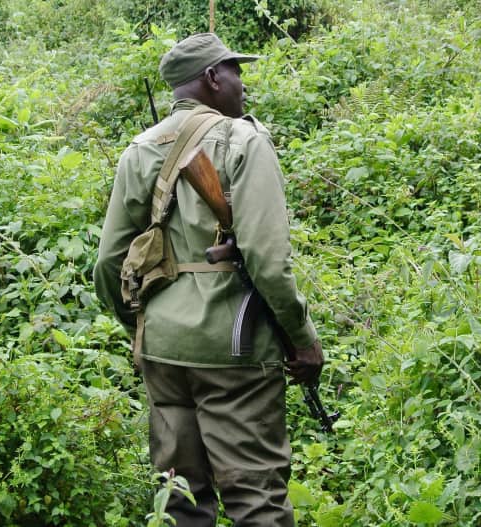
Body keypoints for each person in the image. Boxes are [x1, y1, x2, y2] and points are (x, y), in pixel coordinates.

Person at [92, 33, 324, 526]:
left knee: (180, 498)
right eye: (235, 70)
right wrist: (302, 339)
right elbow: (268, 259)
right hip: (233, 349)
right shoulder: (244, 140)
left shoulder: (140, 149)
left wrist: (140, 324)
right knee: (255, 498)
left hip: (162, 347)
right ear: (213, 78)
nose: (243, 82)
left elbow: (110, 261)